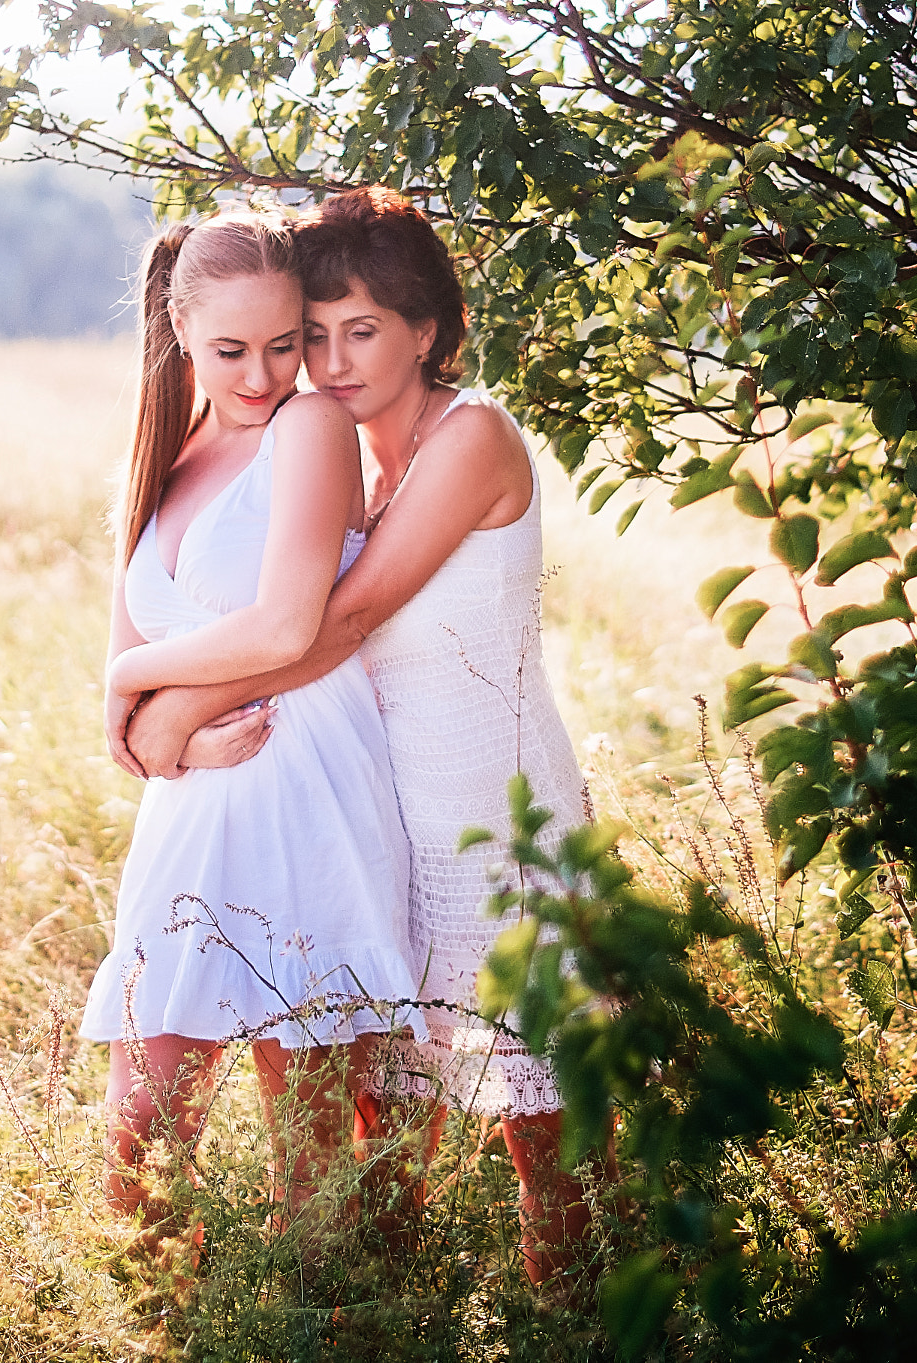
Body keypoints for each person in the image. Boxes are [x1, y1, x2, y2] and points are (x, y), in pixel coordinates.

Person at [116, 187, 599, 1288]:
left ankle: (588, 1324)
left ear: (427, 330)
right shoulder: (363, 463)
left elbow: (339, 623)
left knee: (549, 1147)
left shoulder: (471, 436)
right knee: (383, 1144)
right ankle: (384, 1319)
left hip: (496, 822)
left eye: (361, 330)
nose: (328, 362)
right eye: (314, 336)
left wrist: (168, 706)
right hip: (389, 819)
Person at [77, 207, 425, 1235]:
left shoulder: (308, 430)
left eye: (284, 344)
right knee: (138, 1145)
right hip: (189, 818)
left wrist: (144, 692)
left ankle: (324, 1329)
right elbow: (127, 704)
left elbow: (284, 627)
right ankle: (159, 1324)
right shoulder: (161, 456)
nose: (263, 373)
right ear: (179, 327)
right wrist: (156, 727)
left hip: (301, 789)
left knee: (310, 1161)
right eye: (231, 349)